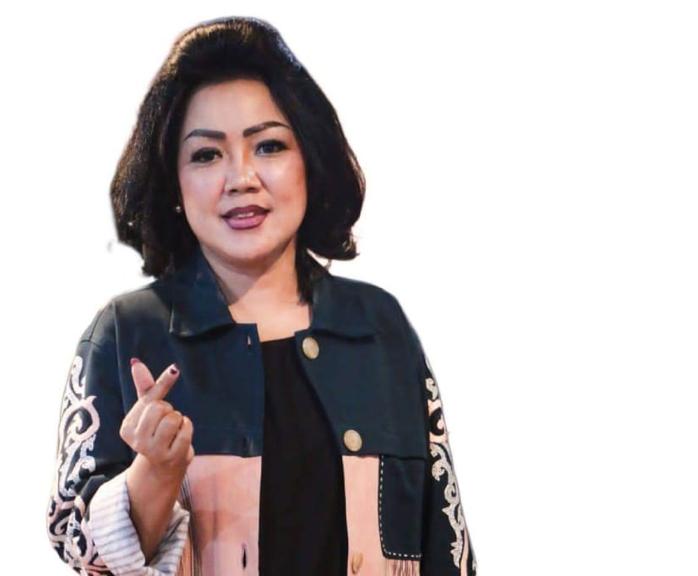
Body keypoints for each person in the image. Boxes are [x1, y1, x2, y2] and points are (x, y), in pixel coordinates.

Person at [45, 16, 477, 576]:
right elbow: (79, 548)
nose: (241, 178)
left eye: (268, 146)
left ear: (309, 162)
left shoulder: (379, 326)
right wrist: (153, 473)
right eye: (207, 155)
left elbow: (447, 544)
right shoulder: (125, 334)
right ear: (174, 182)